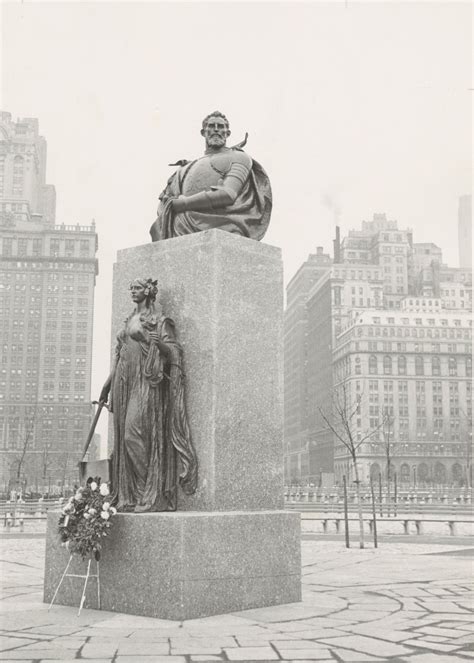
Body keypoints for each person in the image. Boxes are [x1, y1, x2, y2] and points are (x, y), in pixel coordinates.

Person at [100, 278, 197, 512]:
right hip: (124, 380)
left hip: (146, 381)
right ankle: (131, 495)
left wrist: (154, 343)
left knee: (132, 435)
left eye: (137, 288)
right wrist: (107, 385)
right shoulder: (128, 320)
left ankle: (152, 492)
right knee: (124, 439)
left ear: (148, 291)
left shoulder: (160, 322)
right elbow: (120, 354)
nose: (133, 291)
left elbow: (173, 353)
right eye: (131, 288)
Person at [150, 111, 272, 241]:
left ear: (228, 133)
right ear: (203, 132)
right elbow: (164, 205)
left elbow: (228, 194)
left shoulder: (239, 158)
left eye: (220, 127)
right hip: (180, 225)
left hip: (224, 223)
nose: (216, 130)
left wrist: (182, 203)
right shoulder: (184, 169)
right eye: (211, 126)